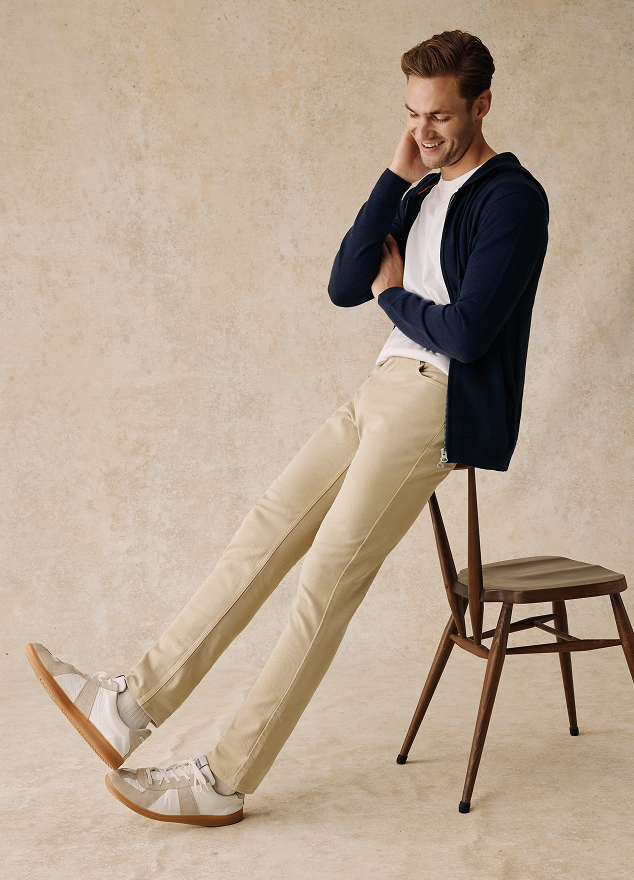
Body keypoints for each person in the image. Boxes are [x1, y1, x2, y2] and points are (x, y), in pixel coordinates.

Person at [26, 29, 549, 827]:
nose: (424, 131)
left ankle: (224, 777)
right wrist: (395, 176)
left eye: (440, 116)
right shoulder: (420, 191)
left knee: (327, 576)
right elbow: (344, 283)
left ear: (482, 105)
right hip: (381, 386)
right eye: (412, 114)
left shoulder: (512, 197)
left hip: (436, 399)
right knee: (264, 531)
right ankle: (128, 705)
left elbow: (470, 333)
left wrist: (393, 296)